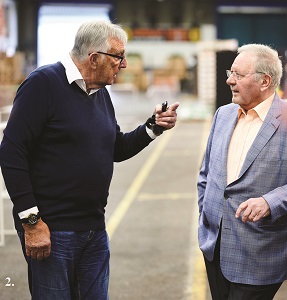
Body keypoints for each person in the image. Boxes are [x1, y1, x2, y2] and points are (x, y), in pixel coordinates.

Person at [0, 20, 179, 300]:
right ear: (94, 59)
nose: (124, 65)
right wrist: (31, 222)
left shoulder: (99, 93)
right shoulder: (43, 84)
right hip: (52, 231)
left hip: (93, 229)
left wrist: (153, 127)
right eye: (118, 57)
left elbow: (115, 147)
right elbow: (12, 153)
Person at [197, 43, 287, 300]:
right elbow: (206, 175)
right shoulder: (223, 114)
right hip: (214, 247)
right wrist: (205, 216)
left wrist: (271, 202)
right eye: (230, 72)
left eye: (238, 74)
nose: (229, 80)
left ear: (265, 81)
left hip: (260, 252)